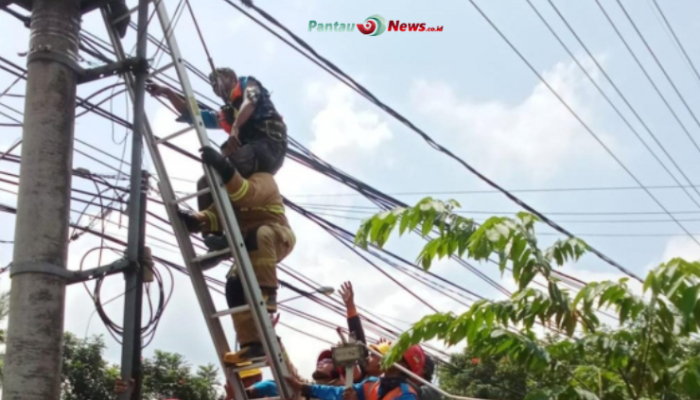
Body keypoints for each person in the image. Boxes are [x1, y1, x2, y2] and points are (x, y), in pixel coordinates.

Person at [178, 146, 296, 362]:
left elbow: (245, 195)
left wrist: (224, 167)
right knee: (234, 283)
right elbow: (217, 213)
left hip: (276, 237)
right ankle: (251, 343)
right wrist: (195, 220)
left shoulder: (264, 179)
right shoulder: (229, 191)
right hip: (248, 246)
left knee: (260, 235)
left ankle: (267, 293)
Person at [145, 69, 287, 236]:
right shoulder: (227, 113)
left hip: (268, 146)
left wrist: (235, 127)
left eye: (217, 80)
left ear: (232, 78)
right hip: (252, 154)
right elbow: (193, 114)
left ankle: (218, 226)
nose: (214, 86)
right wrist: (167, 92)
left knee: (224, 166)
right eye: (211, 84)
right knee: (206, 182)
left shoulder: (250, 84)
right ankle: (212, 235)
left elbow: (251, 101)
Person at [285, 344, 426, 400]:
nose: (386, 356)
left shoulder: (406, 395)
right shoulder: (372, 385)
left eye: (393, 355)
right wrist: (303, 387)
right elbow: (337, 393)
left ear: (403, 365)